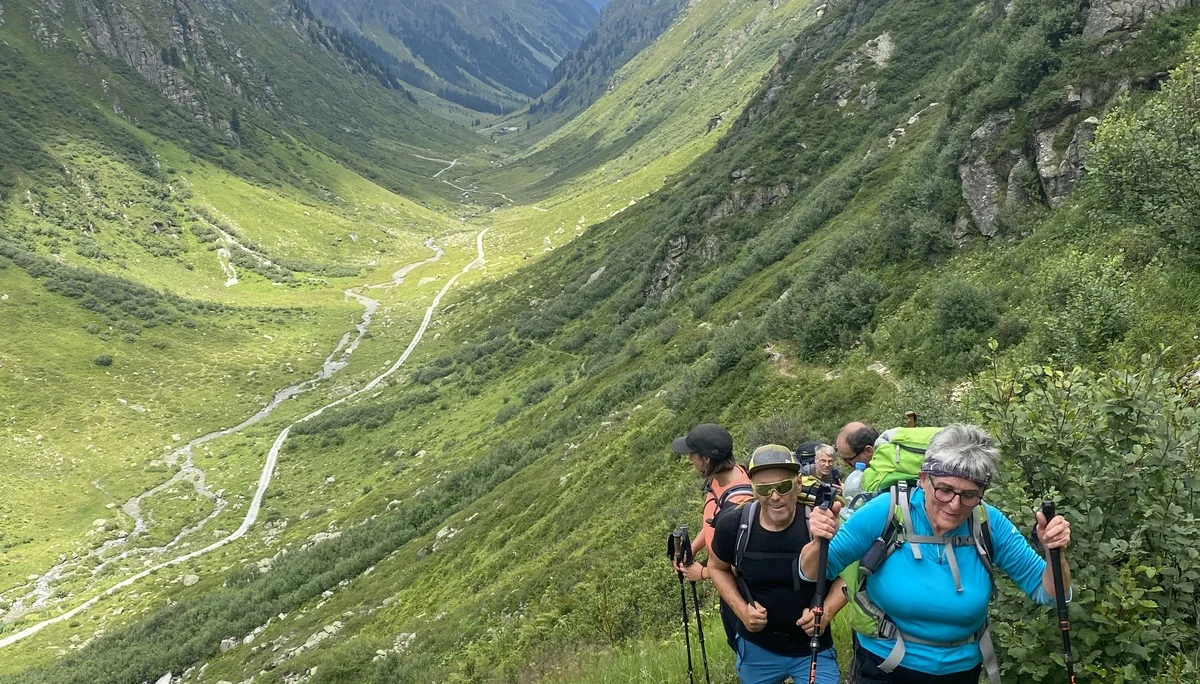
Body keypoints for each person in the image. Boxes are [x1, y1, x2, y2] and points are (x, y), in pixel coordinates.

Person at [800, 424, 1073, 684]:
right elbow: (813, 572)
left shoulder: (988, 522)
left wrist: (1054, 553)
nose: (955, 505)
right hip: (882, 667)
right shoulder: (885, 511)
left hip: (960, 671)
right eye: (944, 490)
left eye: (969, 495)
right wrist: (818, 540)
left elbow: (1049, 592)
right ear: (923, 480)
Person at [707, 444, 845, 684]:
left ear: (798, 483)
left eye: (783, 486)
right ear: (753, 488)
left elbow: (849, 576)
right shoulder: (734, 524)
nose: (774, 496)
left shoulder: (821, 524)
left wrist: (828, 612)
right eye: (764, 488)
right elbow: (716, 567)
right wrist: (741, 610)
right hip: (757, 648)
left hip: (813, 648)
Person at [671, 423, 755, 649]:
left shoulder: (740, 503)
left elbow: (742, 564)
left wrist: (704, 572)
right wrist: (693, 549)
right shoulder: (719, 479)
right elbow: (713, 525)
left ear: (706, 460)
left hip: (740, 588)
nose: (690, 460)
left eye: (692, 455)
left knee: (742, 642)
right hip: (723, 574)